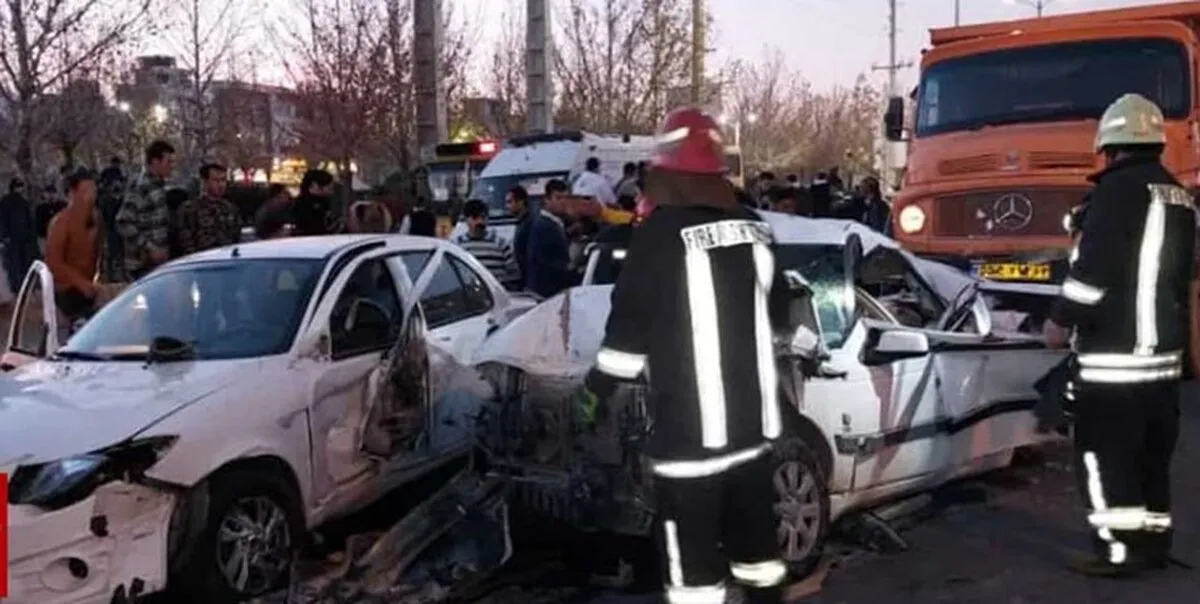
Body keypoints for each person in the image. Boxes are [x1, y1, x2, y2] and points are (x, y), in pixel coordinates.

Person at [584, 107, 788, 604]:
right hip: (754, 438)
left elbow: (627, 339)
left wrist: (594, 393)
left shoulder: (658, 234)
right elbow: (780, 319)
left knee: (694, 578)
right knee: (759, 561)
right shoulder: (755, 227)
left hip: (688, 447)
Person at [1042, 93, 1193, 577]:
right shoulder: (1179, 197)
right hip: (1163, 361)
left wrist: (1060, 320)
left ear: (1110, 147)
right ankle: (1153, 544)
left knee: (1105, 459)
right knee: (1151, 459)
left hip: (1113, 359)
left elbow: (1093, 272)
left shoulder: (1115, 193)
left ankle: (1118, 551)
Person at [45, 169, 100, 324]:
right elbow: (53, 262)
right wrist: (80, 283)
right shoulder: (61, 222)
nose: (90, 196)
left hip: (89, 285)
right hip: (67, 289)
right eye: (85, 192)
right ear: (73, 193)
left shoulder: (96, 217)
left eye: (93, 191)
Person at [116, 140, 175, 280]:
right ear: (155, 162)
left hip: (157, 263)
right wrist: (149, 247)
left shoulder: (158, 185)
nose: (172, 166)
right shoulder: (141, 186)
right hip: (142, 264)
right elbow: (123, 222)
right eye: (168, 162)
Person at [175, 163, 241, 256]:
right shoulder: (189, 209)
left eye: (223, 180)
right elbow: (185, 242)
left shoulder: (230, 208)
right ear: (205, 182)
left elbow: (236, 238)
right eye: (216, 180)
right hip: (202, 259)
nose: (221, 185)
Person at [453, 199, 521, 290]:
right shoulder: (457, 246)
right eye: (475, 218)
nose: (480, 222)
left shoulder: (501, 244)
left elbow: (514, 276)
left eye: (483, 217)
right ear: (466, 219)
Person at [0, 177, 38, 293]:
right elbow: (2, 220)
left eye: (21, 186)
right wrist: (4, 237)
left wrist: (31, 236)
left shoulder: (23, 202)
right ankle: (18, 288)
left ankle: (24, 287)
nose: (20, 189)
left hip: (23, 239)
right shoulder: (5, 202)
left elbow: (29, 221)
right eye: (18, 186)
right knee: (15, 265)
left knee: (23, 264)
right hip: (13, 239)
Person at [291, 169, 335, 236]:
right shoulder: (302, 205)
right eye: (329, 188)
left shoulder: (324, 202)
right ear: (315, 185)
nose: (331, 192)